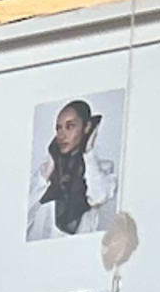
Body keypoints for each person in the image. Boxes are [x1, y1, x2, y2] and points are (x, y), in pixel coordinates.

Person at [30, 98, 115, 238]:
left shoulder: (102, 169)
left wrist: (89, 151)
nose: (62, 135)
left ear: (86, 127)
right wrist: (50, 165)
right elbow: (24, 215)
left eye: (70, 126)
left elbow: (98, 197)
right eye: (59, 128)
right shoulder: (45, 173)